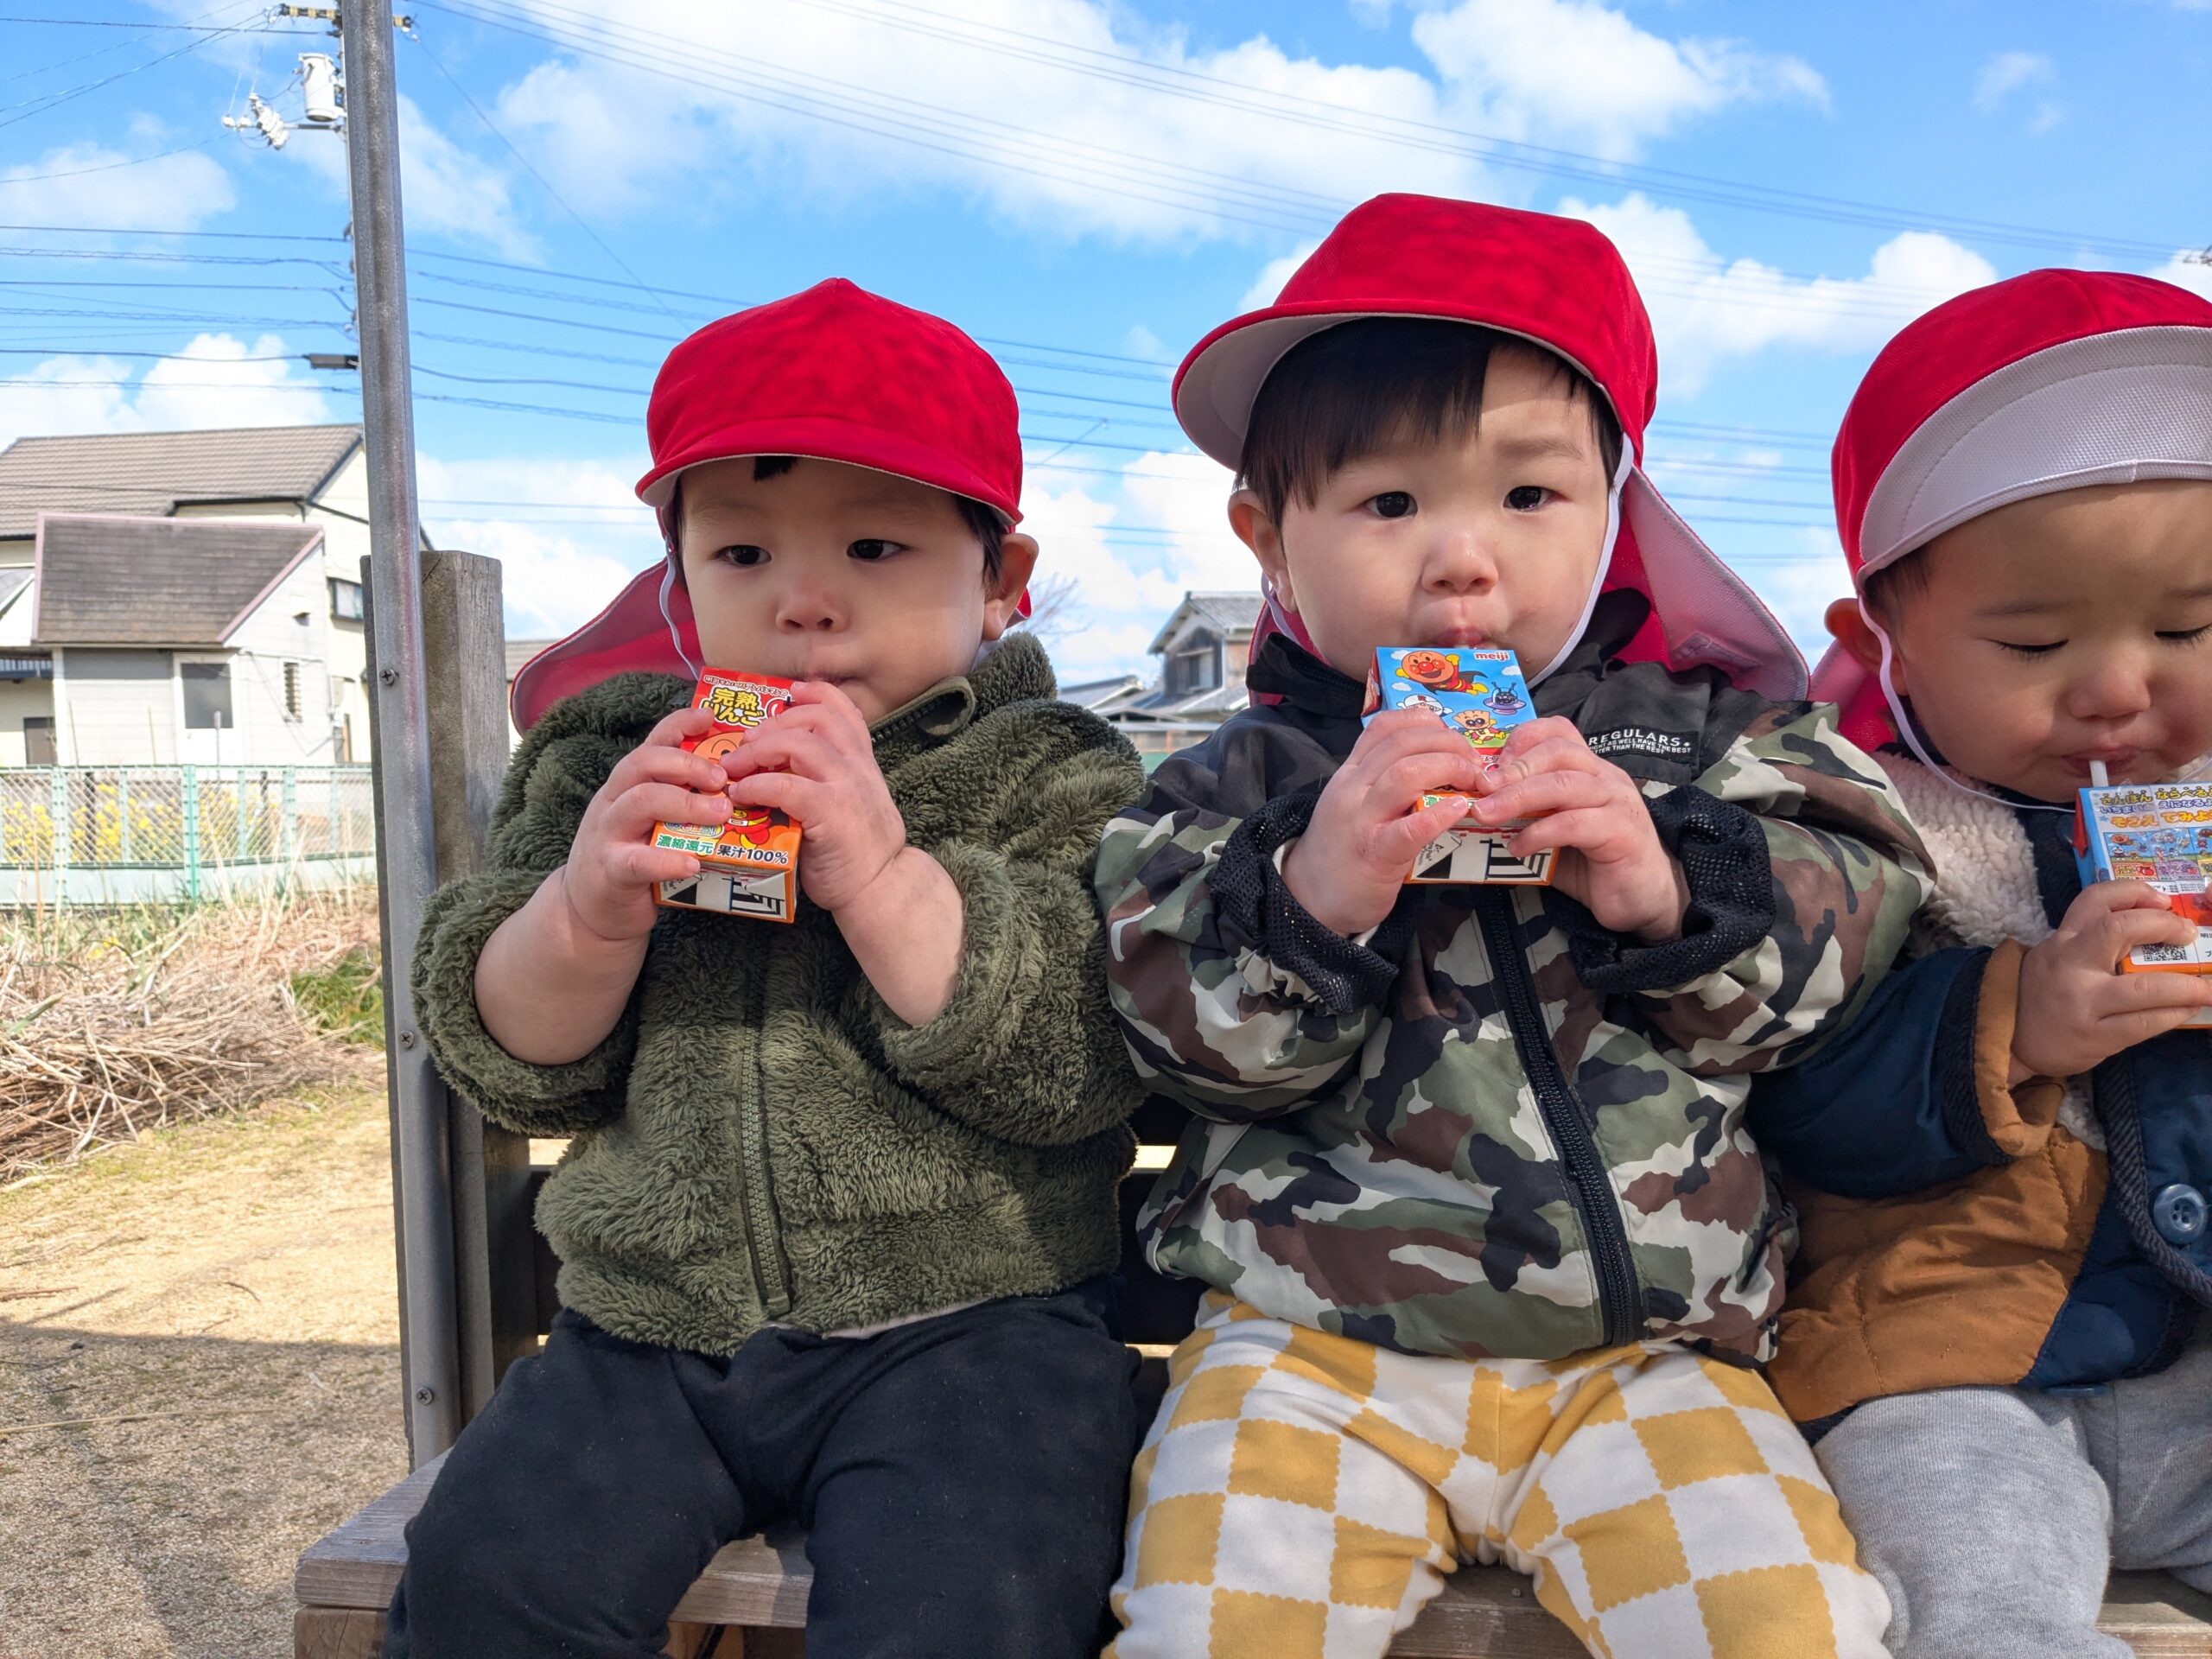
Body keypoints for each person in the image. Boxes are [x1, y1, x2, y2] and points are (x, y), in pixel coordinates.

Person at [1096, 194, 1927, 1659]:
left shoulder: (1706, 741)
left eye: (1531, 496)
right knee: (1214, 1630)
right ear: (1269, 541)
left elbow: (1858, 935)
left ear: (1617, 512)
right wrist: (1313, 894)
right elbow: (1171, 1044)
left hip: (1650, 1357)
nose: (1463, 559)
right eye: (1388, 504)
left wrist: (1667, 886)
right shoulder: (1230, 782)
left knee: (1785, 1628)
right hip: (1303, 1352)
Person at [385, 277, 1148, 1659]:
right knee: (484, 1585)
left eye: (874, 546)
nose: (806, 603)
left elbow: (1078, 1059)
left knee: (972, 1605)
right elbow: (516, 1059)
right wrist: (586, 911)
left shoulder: (1047, 770)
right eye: (742, 554)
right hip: (646, 1335)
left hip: (977, 1329)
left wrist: (886, 876)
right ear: (681, 592)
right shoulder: (608, 763)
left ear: (1000, 582)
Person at [1749, 269, 2212, 1659]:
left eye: (2187, 627)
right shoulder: (1846, 830)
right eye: (2035, 640)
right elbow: (1792, 1096)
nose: (2116, 686)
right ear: (1877, 643)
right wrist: (2017, 1022)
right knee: (1977, 1607)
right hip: (1943, 1373)